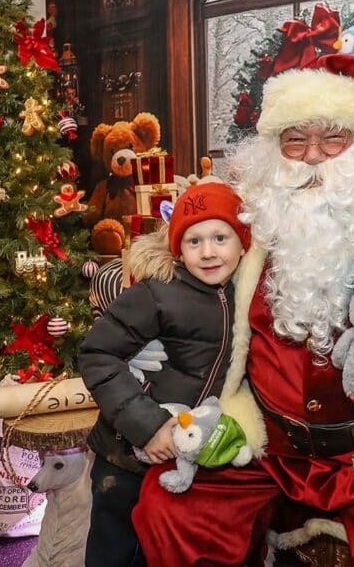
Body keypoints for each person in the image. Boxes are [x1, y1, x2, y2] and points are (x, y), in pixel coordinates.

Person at [133, 55, 354, 565]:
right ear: (271, 151)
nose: (312, 157)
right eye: (294, 141)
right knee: (167, 509)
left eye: (332, 140)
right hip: (264, 445)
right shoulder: (245, 227)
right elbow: (172, 256)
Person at [78, 181, 251, 567]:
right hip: (125, 452)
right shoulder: (157, 293)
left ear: (243, 241)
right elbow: (97, 354)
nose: (208, 252)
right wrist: (149, 426)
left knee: (163, 550)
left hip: (188, 452)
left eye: (220, 237)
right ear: (177, 247)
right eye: (194, 241)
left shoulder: (247, 295)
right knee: (115, 547)